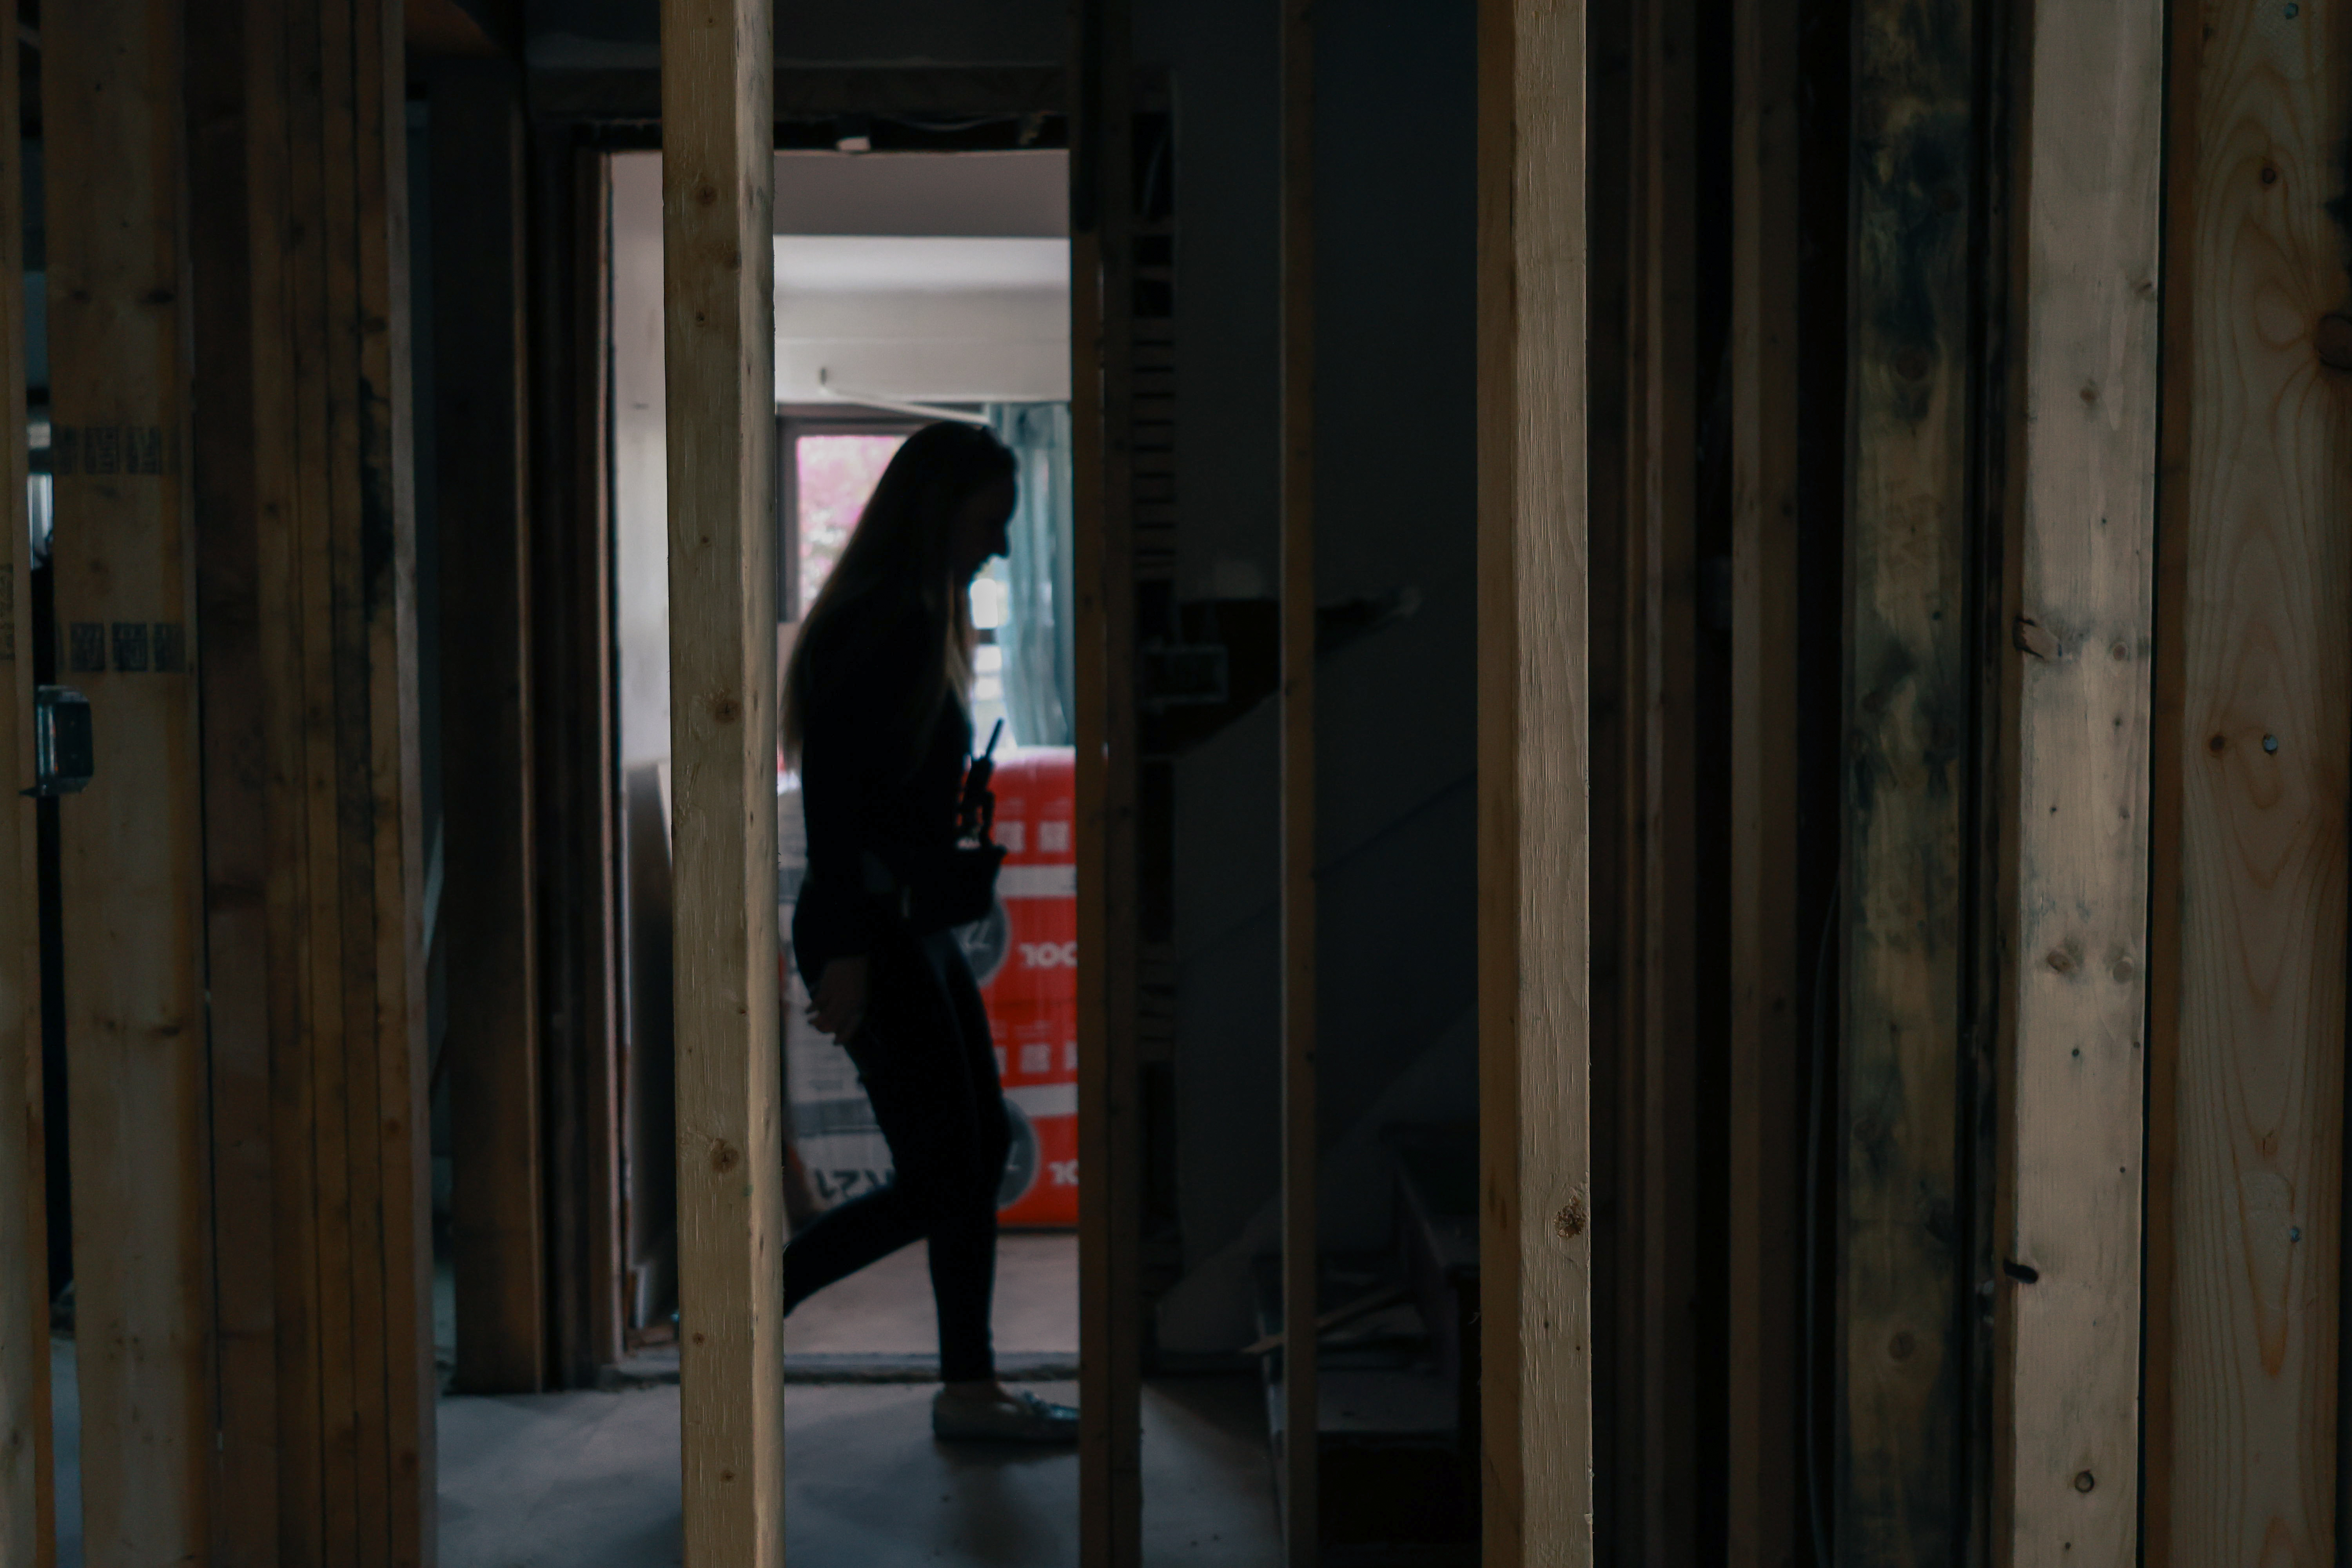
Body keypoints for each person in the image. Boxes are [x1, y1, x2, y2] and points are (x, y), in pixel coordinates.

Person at [780, 421, 1078, 1444]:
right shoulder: (885, 622)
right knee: (948, 1169)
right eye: (990, 523)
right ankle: (745, 1313)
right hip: (869, 928)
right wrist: (855, 954)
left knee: (976, 1144)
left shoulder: (915, 614)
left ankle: (969, 1386)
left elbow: (888, 796)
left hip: (899, 926)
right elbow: (834, 801)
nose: (998, 547)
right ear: (935, 510)